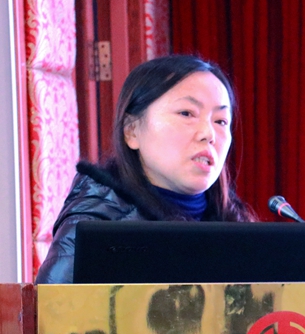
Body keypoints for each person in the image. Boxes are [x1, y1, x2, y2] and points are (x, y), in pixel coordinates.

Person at [35, 54, 256, 284]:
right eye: (186, 113)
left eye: (220, 121)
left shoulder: (237, 226)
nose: (208, 134)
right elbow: (56, 306)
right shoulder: (93, 226)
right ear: (131, 131)